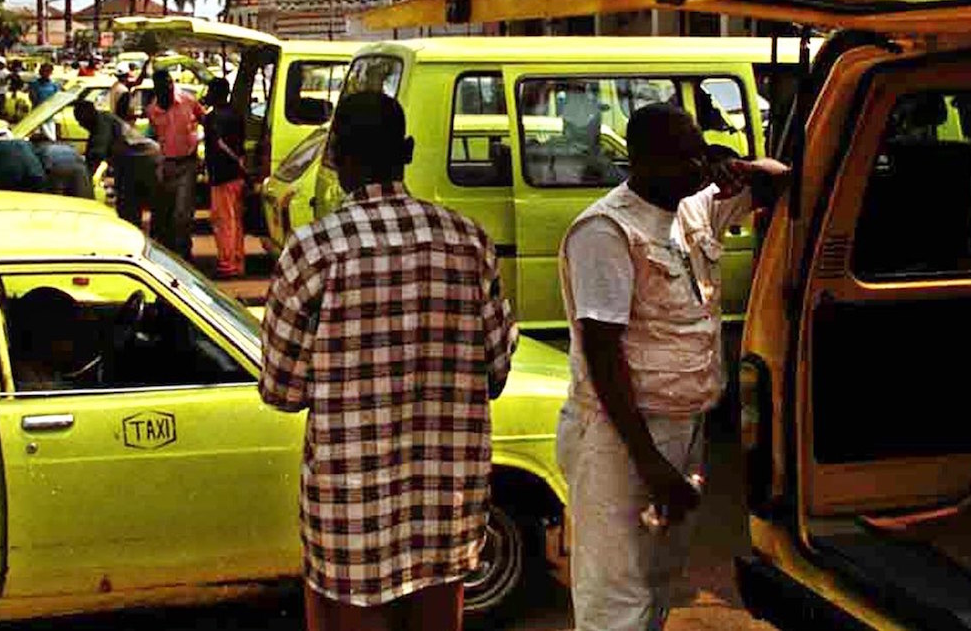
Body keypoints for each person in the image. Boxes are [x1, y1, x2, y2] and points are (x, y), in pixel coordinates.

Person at [261, 91, 517, 631]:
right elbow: (495, 370)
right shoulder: (468, 242)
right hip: (445, 501)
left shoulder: (312, 250)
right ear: (407, 150)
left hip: (349, 508)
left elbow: (280, 390)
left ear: (333, 157)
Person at [556, 103, 788, 631]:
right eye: (686, 155)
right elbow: (602, 353)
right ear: (647, 161)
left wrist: (737, 167)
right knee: (617, 596)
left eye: (700, 152)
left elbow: (781, 181)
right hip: (619, 440)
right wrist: (651, 465)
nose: (698, 165)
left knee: (658, 580)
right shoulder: (606, 231)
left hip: (683, 427)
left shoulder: (694, 208)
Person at [73, 97, 161, 231]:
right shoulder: (100, 122)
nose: (80, 125)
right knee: (129, 203)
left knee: (133, 204)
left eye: (80, 120)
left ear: (89, 114)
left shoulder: (102, 123)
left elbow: (96, 154)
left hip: (145, 159)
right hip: (132, 162)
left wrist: (84, 181)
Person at [145, 69, 205, 257]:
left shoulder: (188, 101)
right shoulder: (153, 111)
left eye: (171, 84)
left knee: (183, 214)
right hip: (167, 164)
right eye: (164, 86)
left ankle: (185, 253)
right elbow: (155, 135)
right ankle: (173, 254)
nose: (169, 88)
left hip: (188, 163)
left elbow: (205, 119)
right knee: (167, 213)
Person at [201, 77, 248, 278]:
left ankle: (227, 263)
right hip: (237, 175)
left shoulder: (213, 118)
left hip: (221, 175)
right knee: (236, 220)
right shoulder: (237, 114)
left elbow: (217, 145)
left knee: (223, 221)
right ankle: (237, 261)